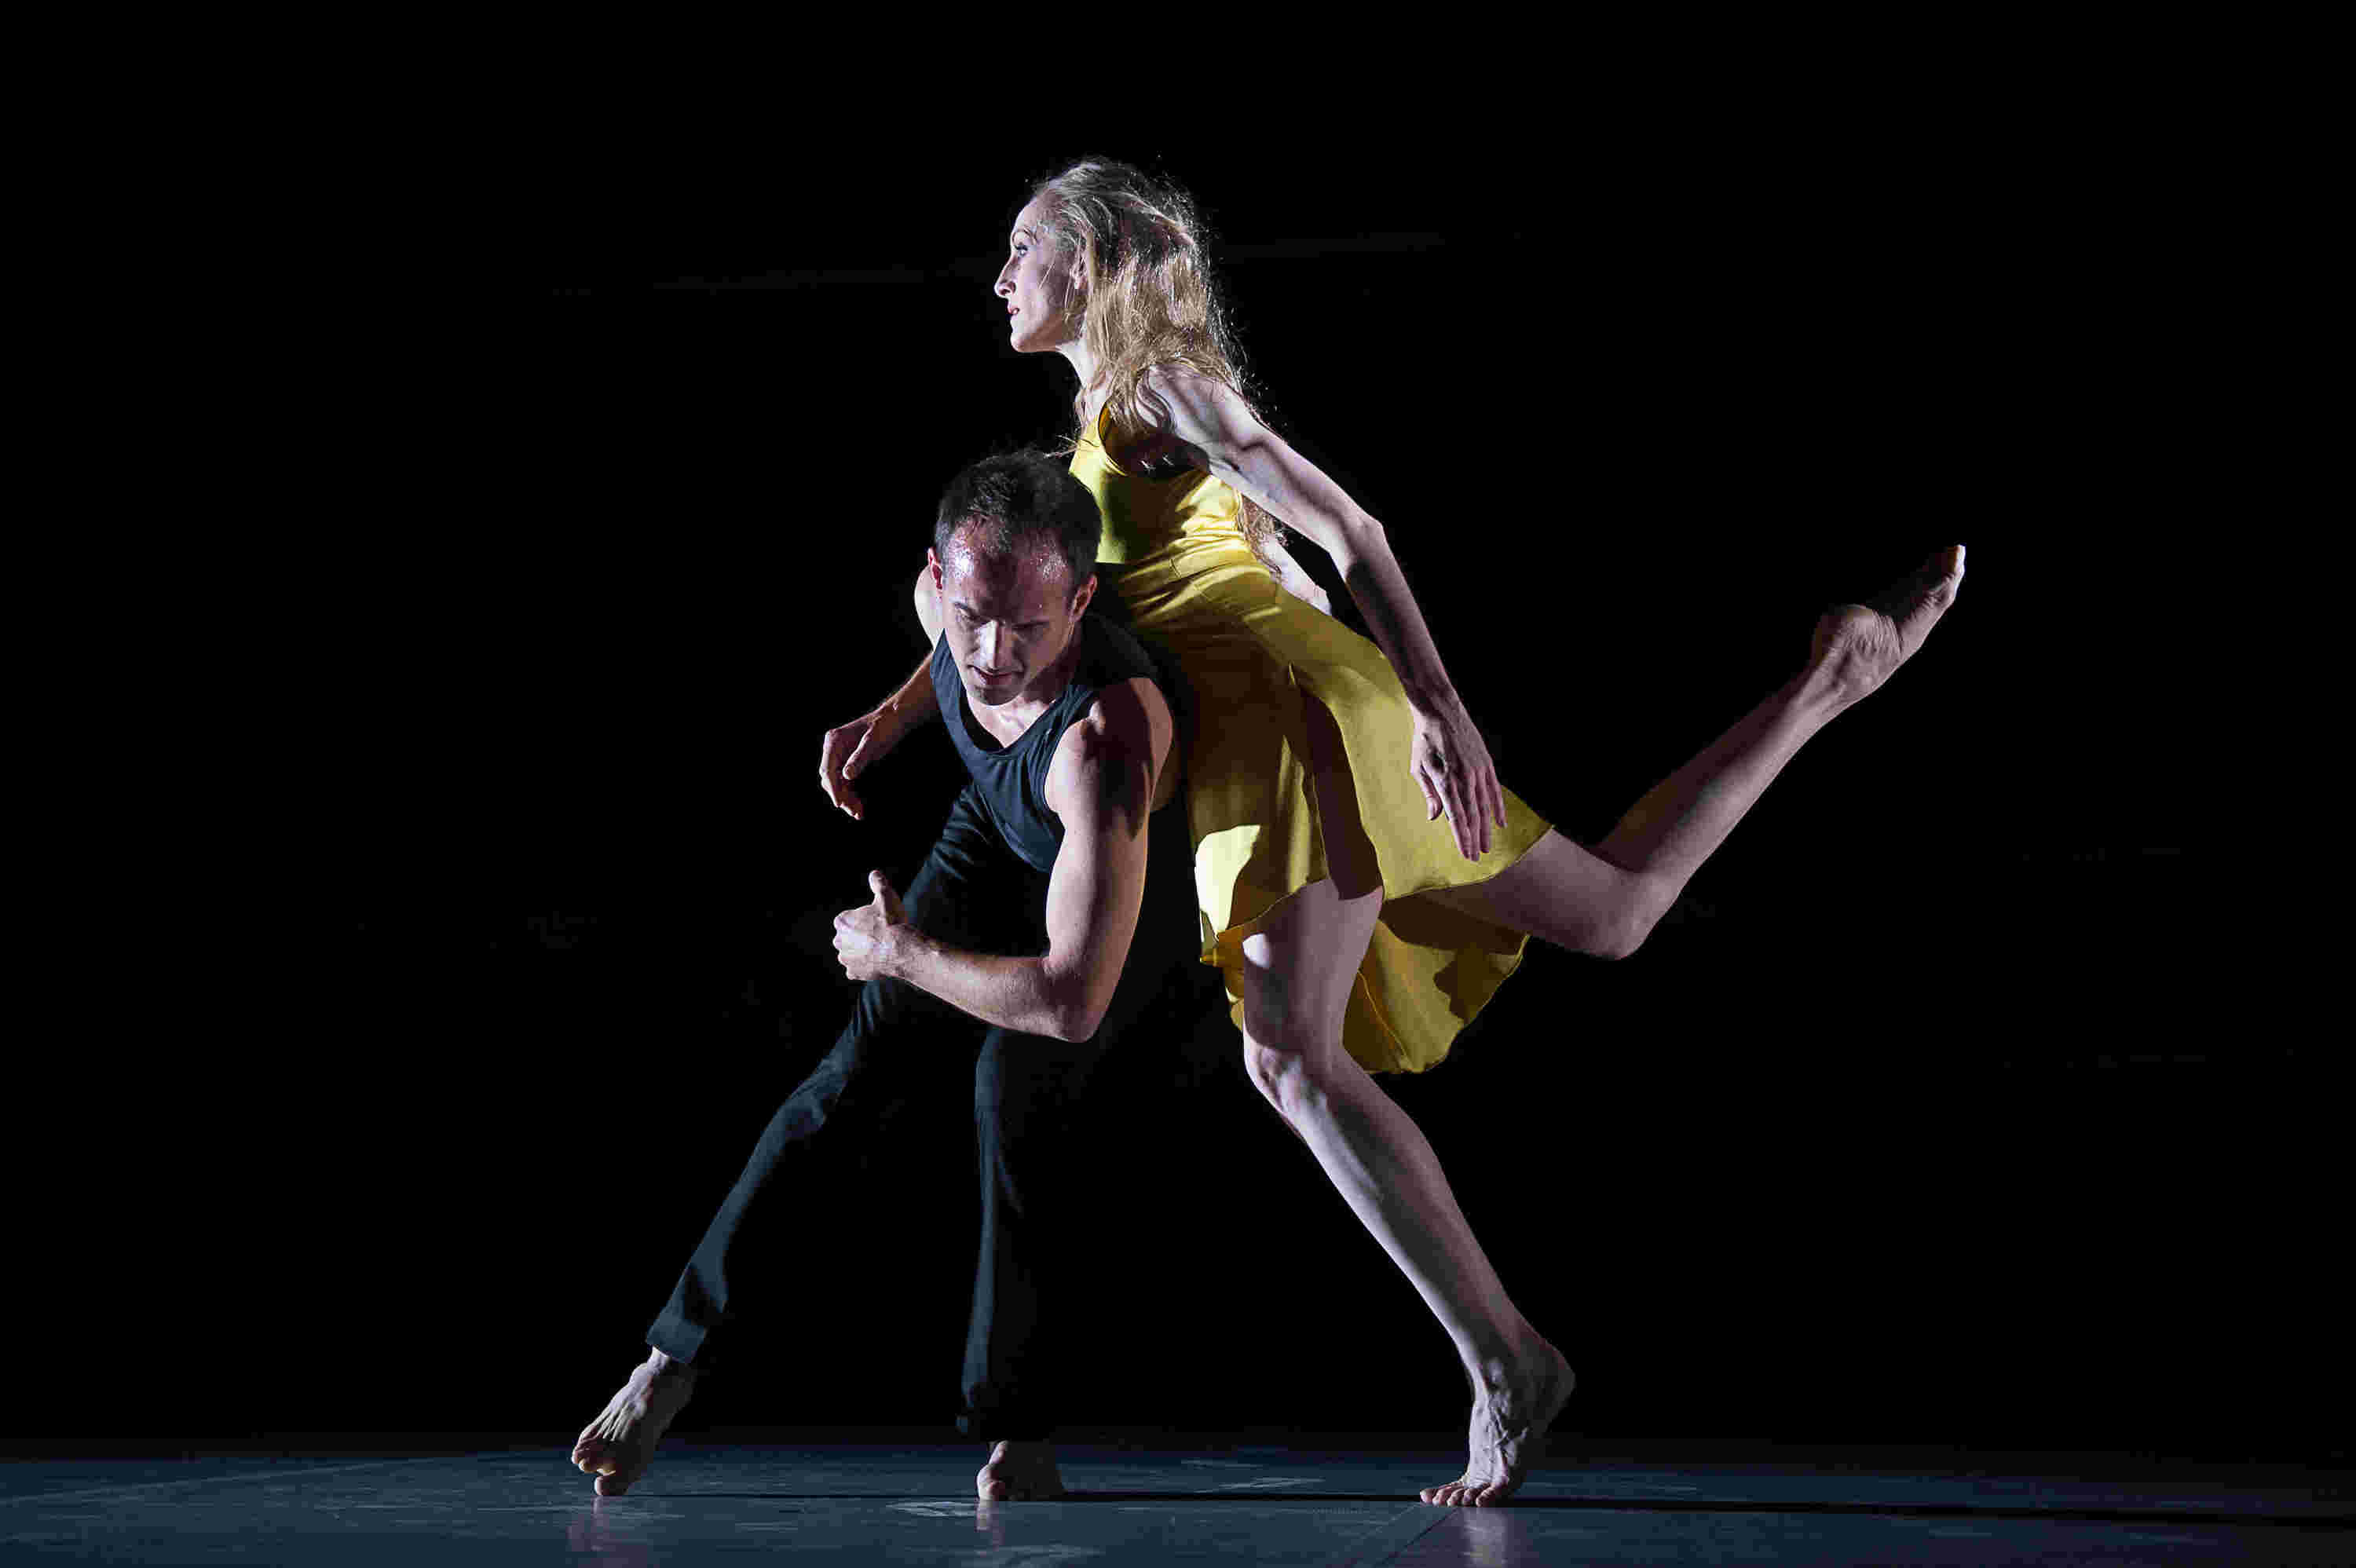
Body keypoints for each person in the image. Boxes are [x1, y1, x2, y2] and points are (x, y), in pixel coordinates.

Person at [960, 156, 1967, 1507]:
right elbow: (1285, 560)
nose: (1000, 272)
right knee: (1611, 913)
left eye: (1023, 244)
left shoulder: (1154, 394)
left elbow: (1349, 523)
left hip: (1301, 731)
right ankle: (1831, 680)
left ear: (1088, 261)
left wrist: (1432, 701)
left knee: (1292, 1065)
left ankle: (1508, 1362)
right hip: (1319, 711)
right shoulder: (1112, 423)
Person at [576, 451, 1201, 1502]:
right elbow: (948, 657)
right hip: (1000, 828)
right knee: (853, 1064)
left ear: (1081, 600)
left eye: (1029, 631)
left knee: (1014, 1082)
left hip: (1124, 896)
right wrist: (892, 714)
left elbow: (1069, 997)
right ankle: (667, 1361)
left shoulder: (1107, 739)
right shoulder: (943, 605)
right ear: (938, 581)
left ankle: (1021, 1428)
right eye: (973, 621)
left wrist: (898, 950)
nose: (994, 658)